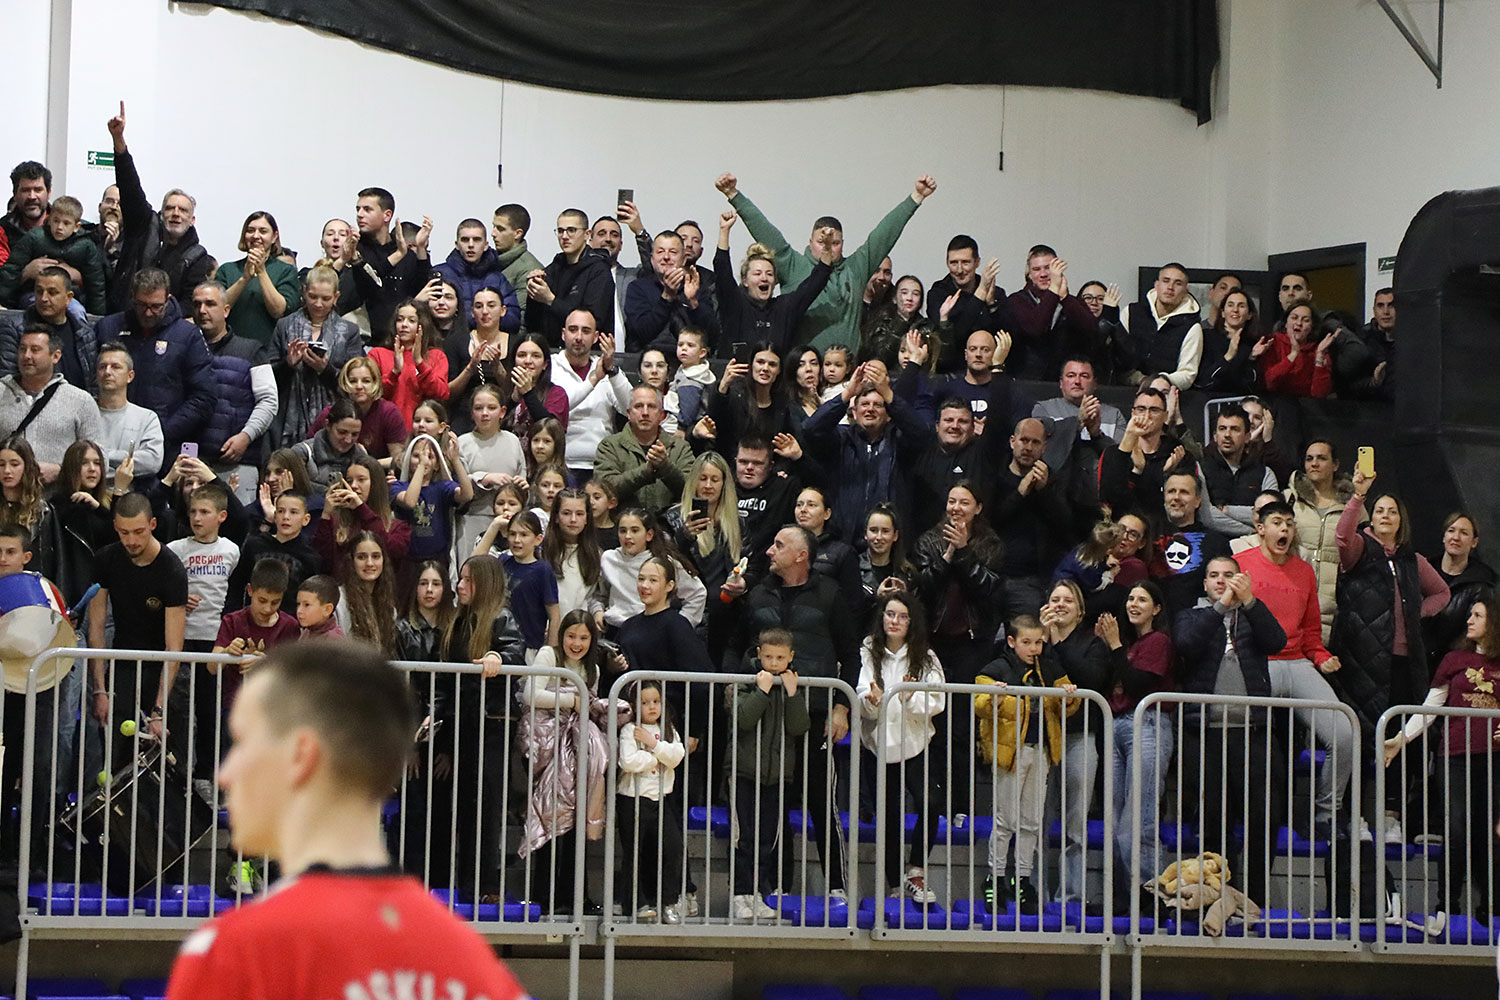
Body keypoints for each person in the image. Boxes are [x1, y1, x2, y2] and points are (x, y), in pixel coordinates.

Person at [162, 640, 531, 1000]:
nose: (225, 774)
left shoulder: (234, 953)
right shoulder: (472, 962)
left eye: (243, 743)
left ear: (301, 755)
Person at [722, 527, 859, 897]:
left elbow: (851, 654)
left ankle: (837, 886)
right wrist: (732, 684)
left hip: (814, 712)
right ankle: (777, 885)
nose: (770, 551)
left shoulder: (830, 594)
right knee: (773, 802)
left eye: (779, 545)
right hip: (765, 714)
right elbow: (735, 644)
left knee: (822, 800)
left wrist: (841, 707)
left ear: (802, 555)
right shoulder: (757, 593)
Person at [1332, 463, 1450, 835]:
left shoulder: (1412, 560)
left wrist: (1415, 613)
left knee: (1398, 741)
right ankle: (1355, 815)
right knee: (1360, 739)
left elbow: (1442, 593)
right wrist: (1358, 495)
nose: (1385, 515)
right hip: (1361, 661)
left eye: (1392, 511)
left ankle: (1391, 816)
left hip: (1403, 663)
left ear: (1401, 521)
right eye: (1380, 510)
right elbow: (1341, 538)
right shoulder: (1361, 549)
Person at [1236, 499, 1355, 837]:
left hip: (1297, 662)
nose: (1285, 529)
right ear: (1260, 528)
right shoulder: (1241, 565)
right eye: (1277, 522)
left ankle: (1326, 813)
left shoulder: (1303, 571)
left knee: (1344, 732)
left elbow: (1311, 632)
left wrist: (1321, 657)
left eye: (1289, 523)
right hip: (1257, 663)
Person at [1173, 556, 1288, 905]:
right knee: (1212, 818)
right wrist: (1221, 607)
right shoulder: (1191, 615)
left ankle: (1254, 898)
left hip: (1253, 731)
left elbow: (1277, 641)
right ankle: (1217, 895)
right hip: (1205, 733)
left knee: (1262, 817)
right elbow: (1186, 644)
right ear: (1205, 583)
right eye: (1214, 576)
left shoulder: (1253, 613)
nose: (1221, 581)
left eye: (1229, 575)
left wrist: (1249, 601)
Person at [716, 171, 937, 351]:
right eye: (822, 241)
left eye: (835, 242)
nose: (828, 247)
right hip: (805, 373)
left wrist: (916, 197)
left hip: (847, 373)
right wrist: (734, 194)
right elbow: (764, 230)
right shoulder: (793, 265)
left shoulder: (856, 268)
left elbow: (883, 236)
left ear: (843, 244)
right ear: (810, 242)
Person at [1383, 595, 1500, 923]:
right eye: (1471, 614)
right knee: (1456, 830)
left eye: (1478, 615)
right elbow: (1430, 708)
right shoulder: (1454, 659)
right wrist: (1401, 739)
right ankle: (1447, 904)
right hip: (1455, 757)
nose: (1470, 620)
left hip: (1494, 760)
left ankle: (1490, 907)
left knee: (1489, 834)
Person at [975, 614, 1079, 912]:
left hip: (1041, 750)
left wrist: (1069, 698)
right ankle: (995, 878)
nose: (1034, 649)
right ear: (1011, 642)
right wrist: (993, 700)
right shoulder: (997, 669)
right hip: (1011, 754)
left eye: (1038, 643)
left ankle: (1022, 879)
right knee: (1005, 820)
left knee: (1032, 821)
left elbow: (1068, 704)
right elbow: (980, 702)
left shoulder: (1049, 668)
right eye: (1027, 642)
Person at [516, 609, 610, 912]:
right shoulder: (548, 655)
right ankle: (543, 896)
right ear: (562, 636)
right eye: (571, 636)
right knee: (548, 816)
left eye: (583, 637)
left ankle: (574, 897)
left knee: (574, 821)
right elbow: (531, 695)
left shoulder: (593, 669)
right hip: (543, 745)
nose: (576, 643)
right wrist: (572, 699)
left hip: (574, 749)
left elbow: (588, 707)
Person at [86, 491, 189, 765]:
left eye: (139, 532)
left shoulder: (171, 569)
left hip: (161, 670)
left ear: (152, 525)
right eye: (124, 532)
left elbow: (174, 647)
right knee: (116, 756)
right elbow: (96, 628)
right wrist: (100, 690)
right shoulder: (106, 559)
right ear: (115, 528)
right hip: (122, 665)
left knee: (163, 760)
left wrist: (158, 709)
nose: (131, 540)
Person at [856, 593, 945, 903]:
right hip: (878, 745)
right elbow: (861, 695)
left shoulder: (926, 657)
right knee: (889, 816)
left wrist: (910, 699)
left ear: (912, 622)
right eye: (890, 614)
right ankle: (895, 884)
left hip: (916, 743)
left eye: (902, 616)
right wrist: (872, 702)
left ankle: (916, 870)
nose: (894, 621)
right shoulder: (868, 650)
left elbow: (937, 700)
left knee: (930, 802)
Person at [1095, 582, 1175, 895]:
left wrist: (1115, 645)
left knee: (1138, 821)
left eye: (1142, 599)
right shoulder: (1126, 643)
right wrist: (1108, 646)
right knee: (1115, 822)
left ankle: (1150, 897)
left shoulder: (1158, 641)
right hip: (1117, 725)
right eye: (1130, 598)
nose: (1133, 604)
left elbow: (1139, 685)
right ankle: (1121, 897)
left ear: (1157, 609)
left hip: (1148, 725)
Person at [727, 626, 808, 921]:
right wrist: (761, 691)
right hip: (744, 771)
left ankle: (759, 892)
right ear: (759, 654)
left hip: (777, 776)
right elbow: (743, 719)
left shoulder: (792, 685)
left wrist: (793, 695)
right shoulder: (745, 682)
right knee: (744, 837)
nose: (774, 664)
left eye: (780, 658)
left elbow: (799, 727)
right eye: (769, 657)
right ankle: (740, 894)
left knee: (766, 839)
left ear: (791, 657)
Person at [94, 267, 217, 459]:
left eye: (156, 306)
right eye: (142, 305)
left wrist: (160, 432)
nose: (148, 313)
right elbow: (90, 382)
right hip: (109, 438)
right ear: (132, 297)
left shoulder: (187, 335)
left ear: (168, 299)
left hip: (166, 443)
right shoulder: (108, 328)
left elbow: (204, 397)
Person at [103, 104, 216, 310]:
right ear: (161, 213)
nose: (175, 214)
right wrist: (119, 141)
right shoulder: (143, 226)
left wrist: (156, 315)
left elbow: (188, 303)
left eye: (183, 210)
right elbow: (130, 188)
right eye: (170, 208)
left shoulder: (197, 257)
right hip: (123, 315)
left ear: (192, 220)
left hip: (166, 324)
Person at [801, 361, 928, 544]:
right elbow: (811, 429)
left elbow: (922, 433)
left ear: (888, 414)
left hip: (889, 542)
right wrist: (847, 394)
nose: (870, 409)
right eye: (865, 404)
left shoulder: (900, 441)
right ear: (855, 411)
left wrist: (889, 396)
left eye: (878, 405)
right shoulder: (841, 439)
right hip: (844, 542)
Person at [189, 281, 278, 500]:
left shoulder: (252, 350)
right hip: (193, 463)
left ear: (226, 310)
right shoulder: (182, 350)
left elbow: (268, 401)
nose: (202, 310)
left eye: (210, 304)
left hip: (238, 463)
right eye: (197, 304)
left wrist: (246, 437)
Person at [268, 266, 366, 449]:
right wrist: (288, 364)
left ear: (336, 297)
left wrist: (324, 369)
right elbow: (268, 377)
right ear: (304, 292)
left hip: (332, 415)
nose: (318, 304)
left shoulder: (349, 331)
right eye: (313, 297)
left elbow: (352, 383)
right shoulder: (284, 325)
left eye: (326, 298)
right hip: (288, 411)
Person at [712, 209, 833, 356]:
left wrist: (827, 248)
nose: (764, 278)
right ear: (745, 280)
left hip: (776, 371)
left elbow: (815, 283)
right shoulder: (735, 304)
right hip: (735, 370)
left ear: (775, 280)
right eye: (757, 273)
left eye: (769, 274)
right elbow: (722, 271)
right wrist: (724, 231)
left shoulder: (784, 308)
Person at [617, 677, 687, 923]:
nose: (652, 707)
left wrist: (652, 745)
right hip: (632, 799)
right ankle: (635, 903)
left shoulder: (668, 729)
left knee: (673, 848)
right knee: (634, 853)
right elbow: (628, 761)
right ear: (635, 706)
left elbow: (677, 756)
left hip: (661, 799)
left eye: (656, 701)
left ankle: (668, 901)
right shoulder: (629, 730)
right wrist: (658, 757)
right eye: (645, 702)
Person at [991, 418, 1072, 614]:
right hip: (991, 576)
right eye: (1024, 440)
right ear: (1012, 441)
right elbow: (990, 521)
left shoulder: (1054, 480)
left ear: (1044, 447)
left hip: (1031, 581)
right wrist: (1020, 492)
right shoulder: (994, 475)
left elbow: (1066, 527)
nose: (1028, 447)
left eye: (1035, 442)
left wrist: (1044, 491)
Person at [0, 326, 103, 479]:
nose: (27, 355)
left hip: (59, 493)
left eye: (35, 350)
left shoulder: (81, 401)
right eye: (22, 349)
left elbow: (100, 459)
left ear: (55, 356)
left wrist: (62, 472)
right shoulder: (1, 392)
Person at [592, 509, 706, 631]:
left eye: (635, 530)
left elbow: (697, 594)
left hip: (651, 630)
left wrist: (678, 626)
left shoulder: (663, 562)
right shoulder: (609, 558)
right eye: (623, 531)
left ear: (649, 535)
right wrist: (597, 611)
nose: (628, 536)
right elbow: (599, 595)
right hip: (615, 630)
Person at [1285, 439, 1353, 643]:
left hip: (1336, 598)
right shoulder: (1290, 499)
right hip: (1294, 591)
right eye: (1309, 459)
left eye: (1321, 458)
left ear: (1335, 465)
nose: (1314, 463)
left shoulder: (1351, 504)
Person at [551, 309, 631, 480]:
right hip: (560, 464)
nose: (579, 337)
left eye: (586, 331)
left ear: (595, 337)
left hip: (601, 464)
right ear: (564, 334)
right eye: (573, 330)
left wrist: (612, 370)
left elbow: (630, 408)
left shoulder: (607, 368)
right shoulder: (551, 366)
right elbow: (557, 407)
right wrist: (593, 380)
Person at [1004, 245, 1102, 380]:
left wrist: (1065, 298)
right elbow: (1035, 328)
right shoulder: (1017, 300)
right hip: (1027, 379)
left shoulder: (1072, 302)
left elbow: (1092, 329)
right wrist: (1053, 290)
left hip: (1065, 380)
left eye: (1048, 268)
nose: (1043, 274)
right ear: (1029, 274)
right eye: (1036, 269)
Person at [593, 386, 695, 514]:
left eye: (651, 406)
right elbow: (604, 491)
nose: (645, 412)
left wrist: (666, 467)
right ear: (628, 413)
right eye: (638, 406)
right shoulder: (609, 446)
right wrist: (645, 472)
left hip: (668, 524)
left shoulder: (680, 448)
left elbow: (692, 489)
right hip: (622, 523)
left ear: (661, 415)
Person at [0, 195, 108, 313]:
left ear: (76, 226)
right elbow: (12, 269)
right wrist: (3, 303)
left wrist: (96, 316)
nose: (59, 227)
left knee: (76, 311)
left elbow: (96, 284)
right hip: (34, 294)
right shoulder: (34, 238)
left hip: (71, 298)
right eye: (56, 221)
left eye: (66, 223)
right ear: (49, 220)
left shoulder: (86, 246)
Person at [524, 209, 615, 347]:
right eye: (560, 231)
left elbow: (593, 322)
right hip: (552, 350)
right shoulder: (554, 268)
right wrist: (533, 292)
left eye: (571, 230)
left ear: (587, 234)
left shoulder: (599, 270)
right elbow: (533, 323)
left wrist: (550, 299)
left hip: (588, 351)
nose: (565, 236)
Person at [345, 187, 428, 338]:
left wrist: (421, 249)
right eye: (358, 209)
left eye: (367, 209)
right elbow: (370, 281)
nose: (360, 214)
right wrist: (398, 255)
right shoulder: (355, 249)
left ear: (387, 215)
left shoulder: (405, 254)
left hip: (402, 338)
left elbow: (420, 290)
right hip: (365, 340)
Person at [0, 267, 99, 392]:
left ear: (68, 298)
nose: (44, 298)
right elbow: (7, 382)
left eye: (52, 292)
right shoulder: (15, 328)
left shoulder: (85, 334)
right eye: (39, 292)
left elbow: (93, 383)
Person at [1149, 472, 1232, 618]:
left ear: (1198, 501)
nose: (1176, 497)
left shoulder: (1216, 542)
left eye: (1184, 492)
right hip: (1152, 622)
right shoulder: (1148, 535)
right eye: (1171, 491)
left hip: (1195, 623)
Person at [923, 235, 1011, 374]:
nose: (959, 270)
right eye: (953, 263)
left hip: (989, 372)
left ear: (977, 262)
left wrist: (991, 306)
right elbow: (956, 336)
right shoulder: (938, 293)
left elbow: (1006, 337)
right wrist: (980, 293)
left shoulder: (996, 293)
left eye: (965, 262)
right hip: (950, 373)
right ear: (947, 263)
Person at [625, 228, 719, 354]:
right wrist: (666, 297)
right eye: (660, 252)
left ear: (683, 259)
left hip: (688, 360)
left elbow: (713, 336)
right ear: (652, 259)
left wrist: (693, 303)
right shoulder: (637, 288)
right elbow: (642, 333)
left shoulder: (697, 288)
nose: (666, 257)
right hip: (648, 359)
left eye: (673, 252)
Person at [215, 212, 302, 347]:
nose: (256, 236)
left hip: (268, 348)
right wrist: (244, 279)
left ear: (274, 237)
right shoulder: (227, 269)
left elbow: (279, 311)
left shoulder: (286, 271)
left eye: (263, 231)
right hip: (229, 347)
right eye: (250, 230)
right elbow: (217, 308)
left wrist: (261, 271)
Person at [230, 490, 320, 616]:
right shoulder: (254, 545)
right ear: (275, 515)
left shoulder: (310, 556)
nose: (286, 517)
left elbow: (310, 598)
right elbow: (236, 585)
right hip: (252, 618)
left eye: (293, 512)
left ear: (306, 519)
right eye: (281, 511)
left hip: (290, 622)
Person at [1428, 512, 1496, 674]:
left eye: (1464, 533)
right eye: (1451, 531)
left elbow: (1472, 636)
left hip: (1453, 668)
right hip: (1416, 664)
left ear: (1474, 542)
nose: (1456, 537)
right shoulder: (1423, 572)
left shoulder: (1481, 585)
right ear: (1444, 536)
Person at [1117, 263, 1203, 390]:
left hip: (1165, 393)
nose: (1170, 287)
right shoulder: (1131, 312)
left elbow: (1187, 374)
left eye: (1178, 283)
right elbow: (1117, 354)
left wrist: (1159, 380)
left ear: (1186, 290)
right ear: (1156, 285)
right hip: (1122, 389)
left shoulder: (1192, 327)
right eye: (1166, 281)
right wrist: (1139, 379)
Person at [307, 358, 406, 466]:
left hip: (377, 472)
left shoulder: (389, 413)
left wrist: (366, 463)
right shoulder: (330, 413)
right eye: (353, 381)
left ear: (375, 383)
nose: (359, 386)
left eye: (366, 381)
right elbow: (308, 450)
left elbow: (399, 459)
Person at [1201, 405, 1278, 537]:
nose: (1227, 435)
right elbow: (1206, 516)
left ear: (1247, 436)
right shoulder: (1201, 468)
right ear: (1215, 436)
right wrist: (1251, 531)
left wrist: (1227, 510)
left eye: (1235, 429)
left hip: (1253, 546)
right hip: (1212, 543)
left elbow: (1272, 515)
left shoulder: (1264, 472)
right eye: (1222, 429)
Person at [367, 299, 448, 425]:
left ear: (422, 325)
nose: (404, 325)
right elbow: (370, 394)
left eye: (411, 320)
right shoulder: (377, 354)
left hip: (422, 427)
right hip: (385, 426)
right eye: (400, 320)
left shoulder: (436, 356)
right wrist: (394, 372)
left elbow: (441, 394)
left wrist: (420, 364)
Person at [94, 340, 164, 482]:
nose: (107, 372)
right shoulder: (82, 413)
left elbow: (152, 461)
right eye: (102, 367)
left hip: (130, 491)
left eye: (115, 367)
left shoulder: (147, 418)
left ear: (130, 376)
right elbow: (74, 459)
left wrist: (100, 456)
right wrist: (125, 462)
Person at [434, 217, 521, 330]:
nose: (471, 245)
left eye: (476, 240)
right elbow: (427, 315)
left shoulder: (498, 278)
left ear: (485, 245)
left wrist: (477, 321)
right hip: (448, 339)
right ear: (457, 245)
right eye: (465, 240)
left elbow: (513, 319)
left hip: (488, 339)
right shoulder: (440, 274)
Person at [1033, 356, 1125, 444]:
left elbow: (1118, 453)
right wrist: (1078, 423)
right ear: (1061, 383)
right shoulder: (1044, 409)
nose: (1077, 381)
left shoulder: (1114, 415)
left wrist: (1096, 435)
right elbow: (1043, 448)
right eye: (1071, 376)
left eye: (1084, 376)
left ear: (1095, 384)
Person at [1260, 301, 1334, 398]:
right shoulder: (1272, 342)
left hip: (1306, 404)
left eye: (1305, 320)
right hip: (1274, 400)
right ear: (1286, 323)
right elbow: (1269, 382)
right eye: (1294, 318)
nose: (1299, 323)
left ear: (1312, 327)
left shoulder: (1318, 350)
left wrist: (1319, 359)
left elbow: (1320, 394)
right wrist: (1293, 355)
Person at [491, 203, 547, 317]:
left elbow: (520, 318)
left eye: (500, 229)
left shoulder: (530, 269)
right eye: (494, 227)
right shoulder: (489, 260)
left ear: (518, 234)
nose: (493, 233)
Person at [664, 327, 714, 437]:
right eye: (680, 345)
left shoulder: (691, 379)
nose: (684, 349)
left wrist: (681, 427)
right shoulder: (687, 369)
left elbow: (688, 411)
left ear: (702, 353)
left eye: (690, 345)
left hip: (682, 429)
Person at [2, 161, 49, 249]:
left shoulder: (69, 226)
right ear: (15, 195)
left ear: (49, 193)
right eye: (25, 190)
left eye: (38, 190)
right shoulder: (3, 230)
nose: (32, 197)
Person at [295, 574, 344, 639]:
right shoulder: (308, 631)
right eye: (298, 604)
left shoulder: (333, 639)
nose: (299, 611)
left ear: (327, 609)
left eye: (307, 605)